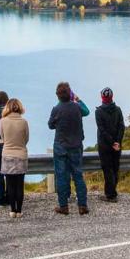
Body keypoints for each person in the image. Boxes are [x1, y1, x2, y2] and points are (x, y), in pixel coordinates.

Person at [47, 81, 90, 215]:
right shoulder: (77, 107)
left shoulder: (56, 109)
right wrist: (78, 99)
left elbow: (50, 125)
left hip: (60, 146)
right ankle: (82, 205)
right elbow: (87, 111)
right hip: (76, 145)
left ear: (57, 95)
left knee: (61, 176)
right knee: (78, 175)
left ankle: (64, 206)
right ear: (70, 93)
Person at [0, 98, 30, 218]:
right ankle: (19, 210)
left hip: (7, 154)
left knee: (10, 184)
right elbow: (26, 138)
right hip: (21, 154)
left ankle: (12, 210)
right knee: (20, 184)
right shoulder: (24, 122)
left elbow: (3, 138)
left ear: (8, 108)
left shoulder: (2, 121)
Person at [94, 87, 125, 202]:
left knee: (107, 170)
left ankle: (111, 195)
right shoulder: (118, 110)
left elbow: (102, 130)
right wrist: (117, 142)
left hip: (105, 146)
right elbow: (121, 127)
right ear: (112, 97)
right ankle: (112, 192)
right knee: (115, 168)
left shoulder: (99, 112)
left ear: (102, 97)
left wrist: (111, 142)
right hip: (117, 145)